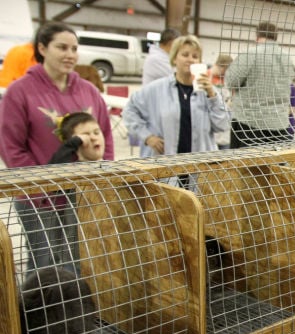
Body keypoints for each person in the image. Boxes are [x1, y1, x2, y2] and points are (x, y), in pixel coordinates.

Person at [0, 22, 114, 273]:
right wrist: (40, 185)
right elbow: (11, 147)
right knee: (44, 264)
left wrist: (101, 182)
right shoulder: (20, 92)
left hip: (83, 196)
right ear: (42, 48)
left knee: (82, 261)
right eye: (61, 47)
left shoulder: (88, 90)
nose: (70, 55)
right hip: (39, 199)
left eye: (74, 48)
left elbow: (105, 136)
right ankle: (37, 312)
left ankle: (79, 311)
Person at [123, 34, 229, 167]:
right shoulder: (156, 89)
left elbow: (223, 125)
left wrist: (213, 96)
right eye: (185, 55)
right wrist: (147, 136)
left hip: (199, 167)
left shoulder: (209, 92)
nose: (190, 59)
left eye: (195, 56)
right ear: (174, 59)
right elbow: (129, 111)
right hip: (164, 166)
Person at [225, 22, 294, 147]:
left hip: (249, 125)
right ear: (275, 36)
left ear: (257, 35)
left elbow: (231, 81)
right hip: (279, 124)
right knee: (275, 165)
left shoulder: (250, 54)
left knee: (244, 166)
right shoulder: (288, 58)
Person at [209, 54, 233, 150]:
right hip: (211, 132)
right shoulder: (207, 76)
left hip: (225, 133)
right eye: (222, 66)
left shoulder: (230, 81)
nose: (224, 70)